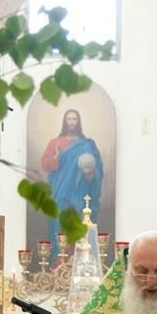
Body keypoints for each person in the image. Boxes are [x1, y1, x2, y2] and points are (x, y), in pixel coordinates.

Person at [40, 109, 104, 263]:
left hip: (80, 193)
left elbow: (98, 169)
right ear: (65, 121)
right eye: (69, 119)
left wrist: (90, 174)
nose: (71, 122)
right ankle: (58, 266)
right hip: (60, 192)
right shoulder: (55, 143)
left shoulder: (87, 144)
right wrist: (56, 157)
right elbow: (45, 164)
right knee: (59, 225)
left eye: (74, 119)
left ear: (78, 122)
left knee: (80, 223)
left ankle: (82, 265)